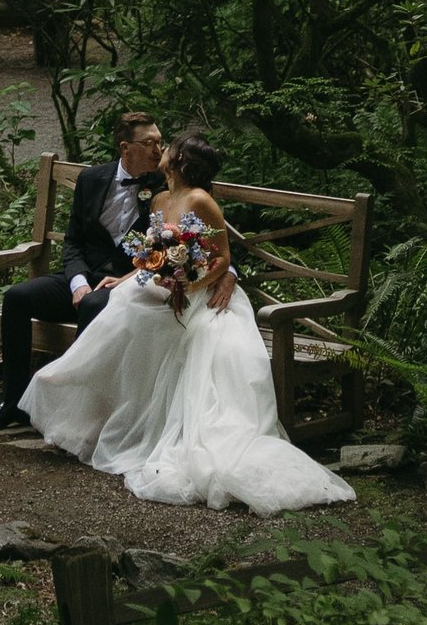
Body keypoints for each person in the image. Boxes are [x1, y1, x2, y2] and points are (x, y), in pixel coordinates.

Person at [23, 132, 356, 517]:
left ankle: (114, 412)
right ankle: (83, 401)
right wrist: (129, 277)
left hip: (197, 295)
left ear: (180, 161)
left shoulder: (200, 200)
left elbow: (221, 257)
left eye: (168, 148)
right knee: (119, 307)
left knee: (139, 320)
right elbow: (152, 255)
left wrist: (189, 284)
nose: (161, 151)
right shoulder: (160, 199)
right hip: (160, 287)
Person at [0, 108, 167, 434]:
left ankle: (74, 412)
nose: (158, 150)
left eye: (160, 141)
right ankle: (13, 403)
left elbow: (164, 250)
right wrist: (77, 282)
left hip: (127, 286)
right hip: (82, 278)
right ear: (125, 148)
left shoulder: (164, 186)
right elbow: (73, 242)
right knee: (17, 297)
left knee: (93, 305)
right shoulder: (92, 180)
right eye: (149, 143)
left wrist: (120, 282)